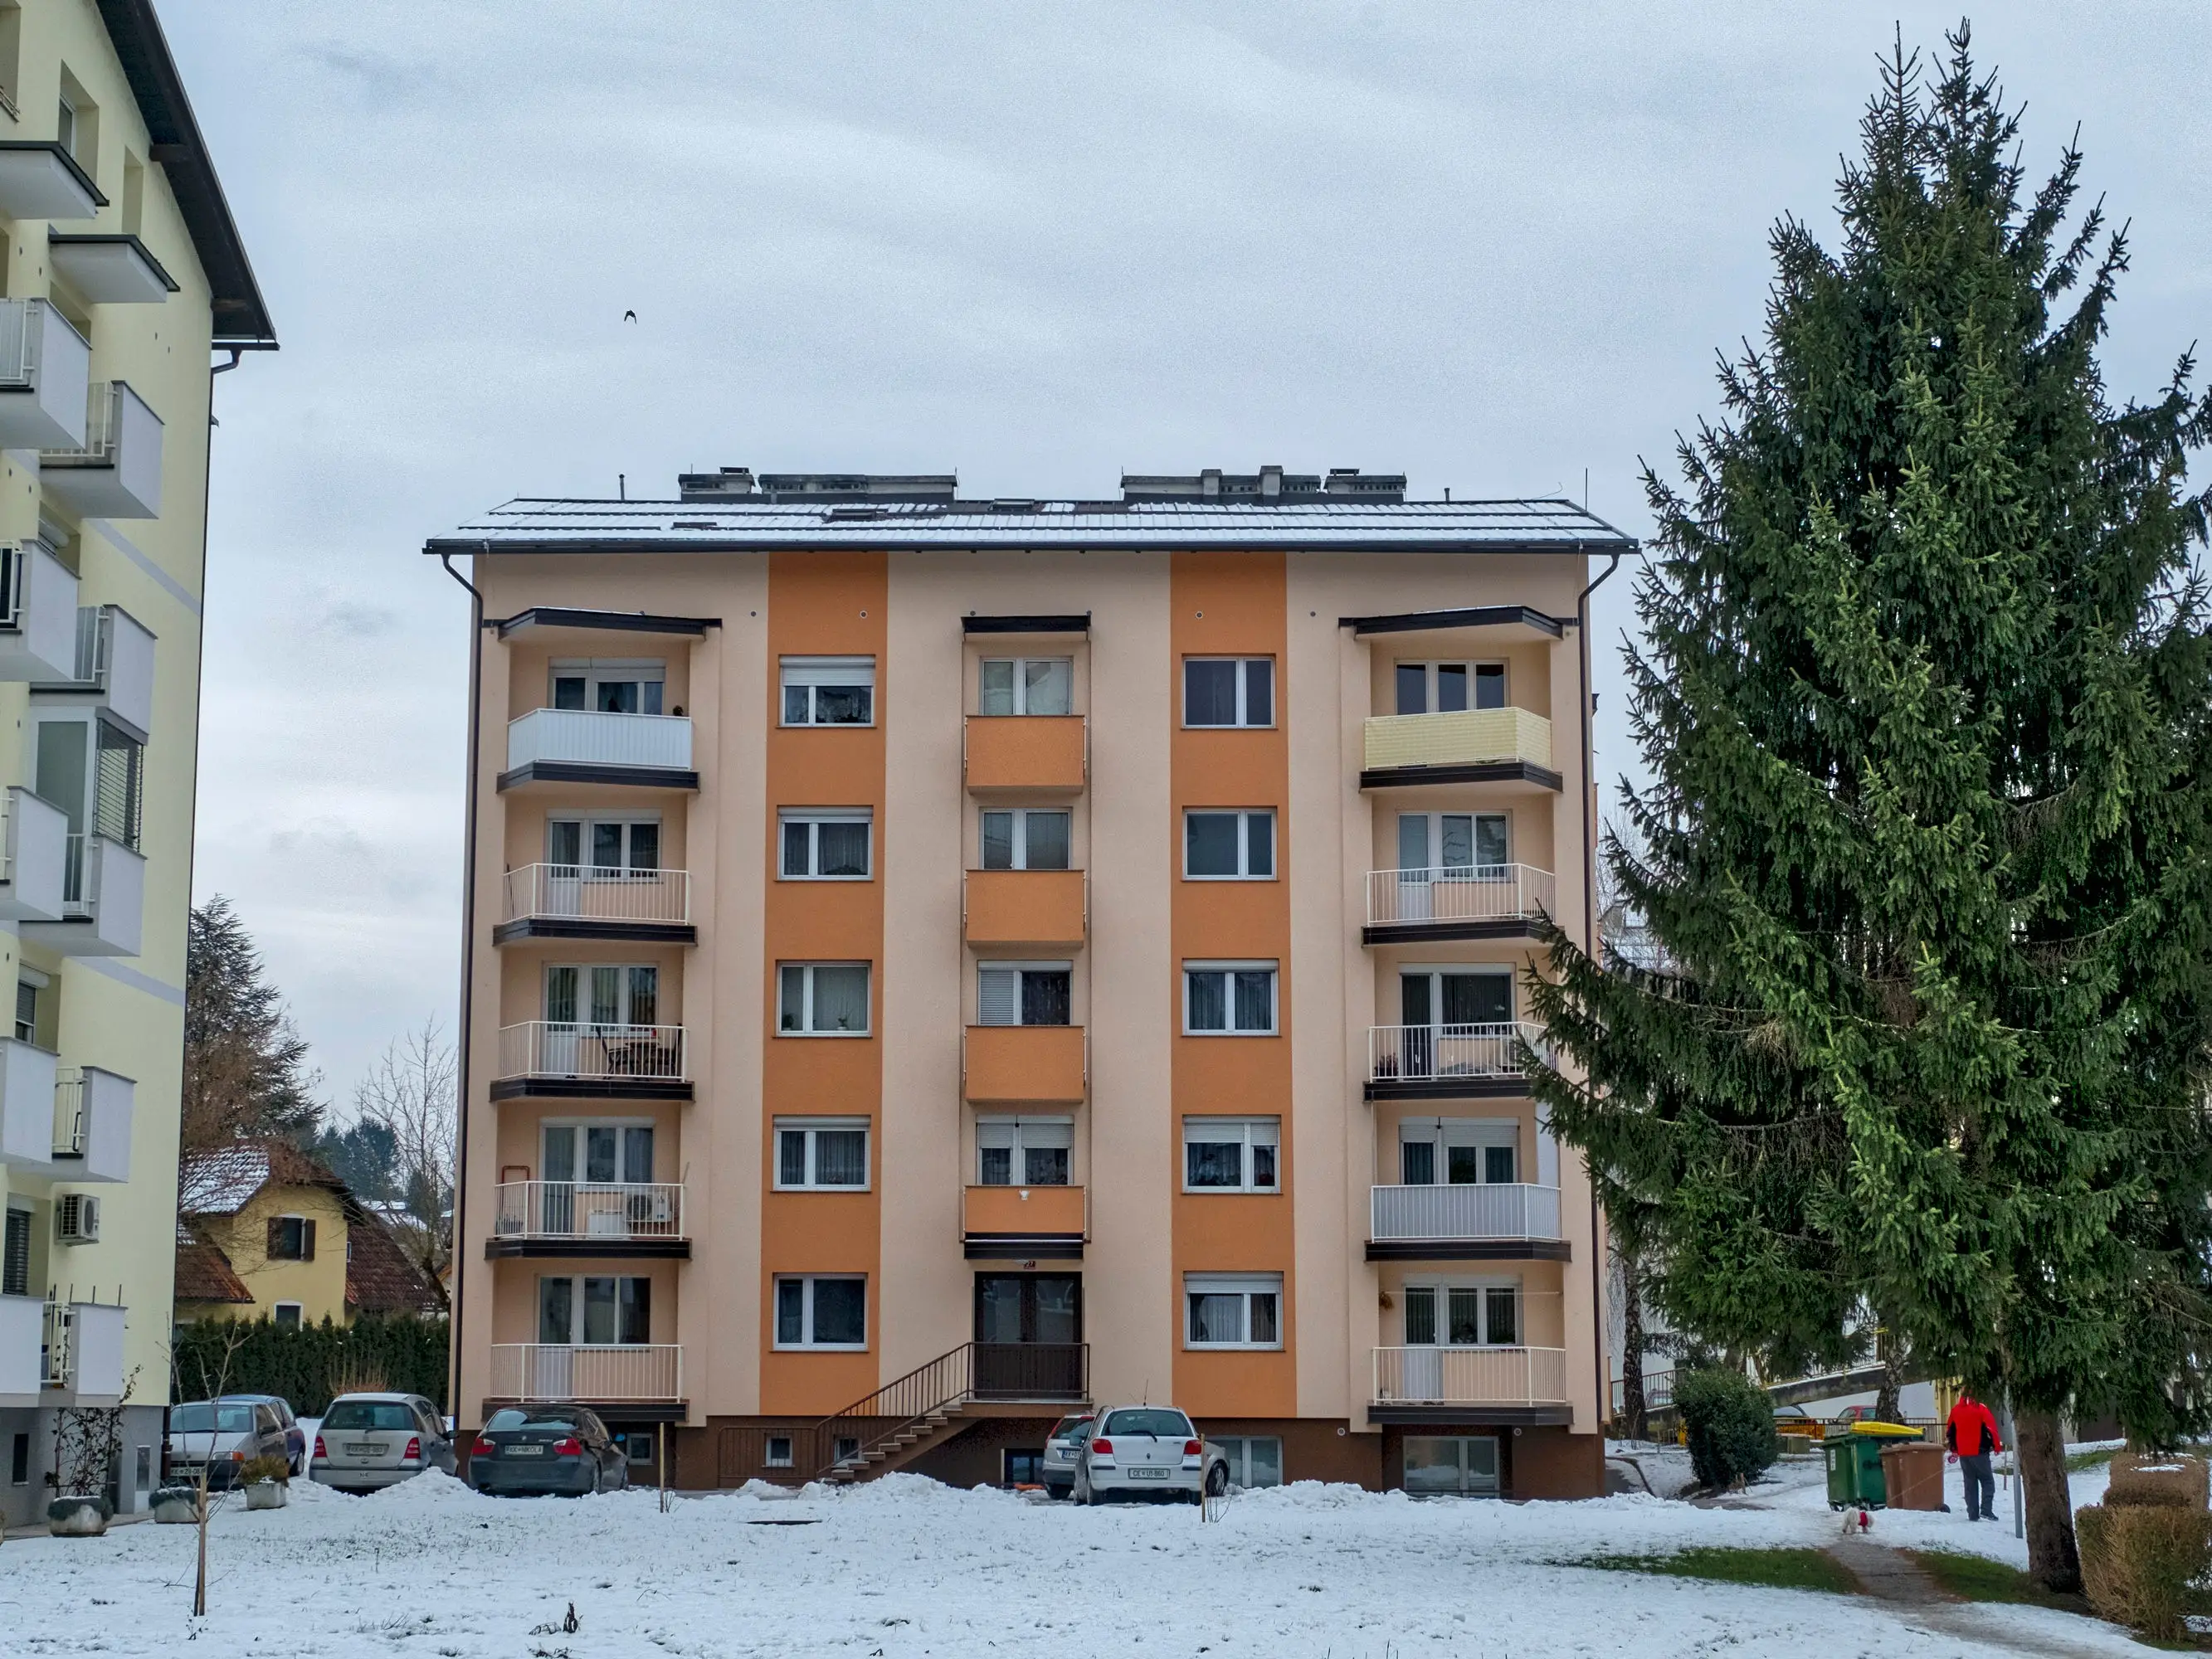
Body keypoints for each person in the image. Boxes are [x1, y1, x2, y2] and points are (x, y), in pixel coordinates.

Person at [1945, 1392, 2003, 1520]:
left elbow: (1950, 1430)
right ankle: (1986, 1510)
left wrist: (1954, 1449)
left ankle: (1973, 1514)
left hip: (1964, 1453)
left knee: (1970, 1483)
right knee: (1987, 1481)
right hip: (1979, 1451)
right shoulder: (1981, 1409)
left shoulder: (1955, 1410)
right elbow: (1991, 1428)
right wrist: (1997, 1445)